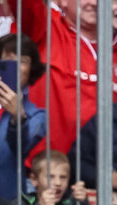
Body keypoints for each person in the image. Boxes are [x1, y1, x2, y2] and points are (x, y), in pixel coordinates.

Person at [18, 0, 117, 168]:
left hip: (107, 178)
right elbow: (25, 5)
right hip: (46, 177)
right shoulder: (46, 29)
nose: (95, 3)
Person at [0, 33, 46, 201]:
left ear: (31, 69)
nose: (14, 66)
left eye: (22, 61)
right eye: (8, 59)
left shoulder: (36, 115)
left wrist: (18, 116)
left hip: (8, 202)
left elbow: (20, 149)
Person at [22, 149, 93, 205]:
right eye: (50, 177)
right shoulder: (23, 202)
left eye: (63, 177)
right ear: (34, 179)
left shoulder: (74, 202)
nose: (58, 183)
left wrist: (83, 203)